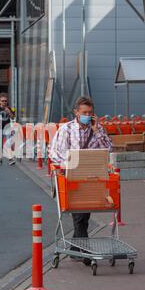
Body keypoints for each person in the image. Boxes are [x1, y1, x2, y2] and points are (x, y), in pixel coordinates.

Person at [49, 96, 112, 265]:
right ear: (76, 112)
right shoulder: (67, 130)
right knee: (79, 215)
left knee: (84, 214)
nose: (87, 115)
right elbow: (55, 153)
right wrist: (70, 165)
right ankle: (84, 252)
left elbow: (108, 149)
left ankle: (77, 250)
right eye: (84, 112)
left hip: (91, 179)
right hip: (71, 179)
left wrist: (97, 130)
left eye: (90, 112)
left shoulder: (97, 129)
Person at [0, 93, 16, 166]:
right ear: (0, 102)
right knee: (0, 145)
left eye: (5, 101)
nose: (4, 102)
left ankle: (10, 159)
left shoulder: (9, 108)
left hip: (7, 128)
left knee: (8, 144)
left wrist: (9, 111)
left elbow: (12, 118)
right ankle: (0, 160)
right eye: (2, 101)